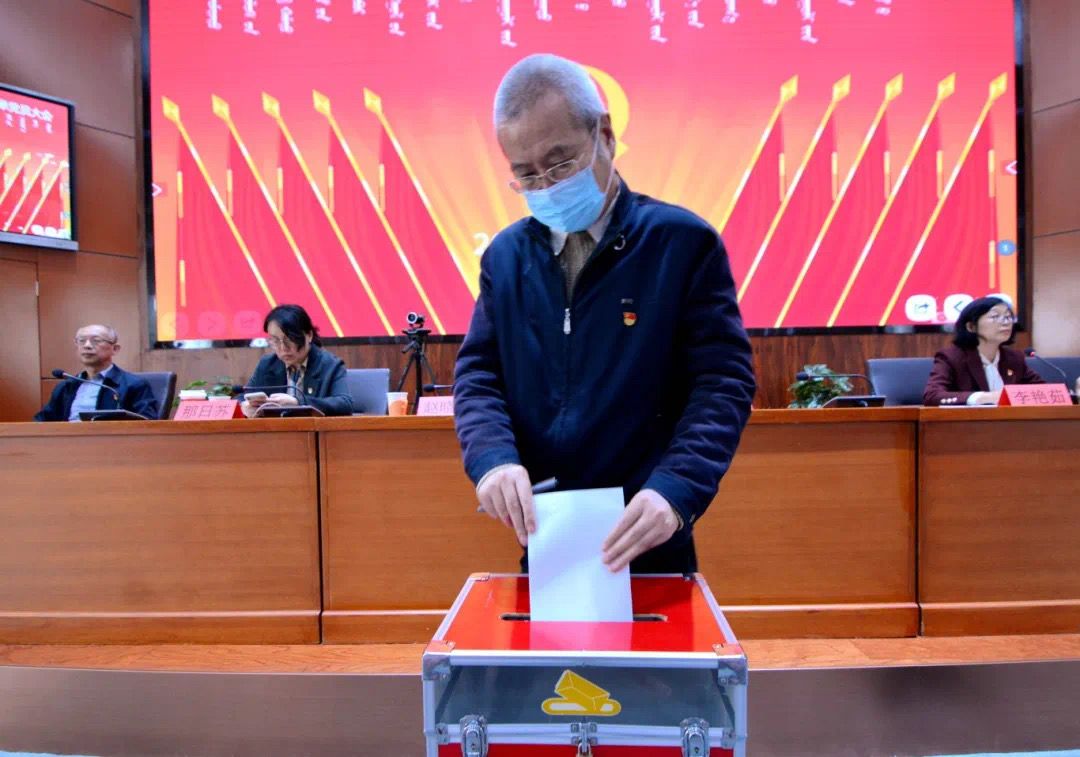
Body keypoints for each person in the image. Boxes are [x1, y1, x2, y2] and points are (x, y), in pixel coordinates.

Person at [453, 54, 756, 574]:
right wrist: (492, 460)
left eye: (561, 164)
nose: (547, 186)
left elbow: (723, 383)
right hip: (548, 540)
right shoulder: (505, 258)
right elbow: (479, 374)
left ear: (606, 136)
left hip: (651, 532)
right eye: (526, 175)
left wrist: (676, 488)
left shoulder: (681, 245)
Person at [924, 296, 1044, 406]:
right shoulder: (952, 357)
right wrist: (983, 397)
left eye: (1008, 317)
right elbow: (932, 395)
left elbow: (1043, 391)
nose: (1006, 322)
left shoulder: (1014, 358)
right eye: (995, 316)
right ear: (971, 326)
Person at [241, 304, 352, 417]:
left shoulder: (330, 365)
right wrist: (244, 406)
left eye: (290, 339)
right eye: (275, 340)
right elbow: (243, 396)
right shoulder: (267, 364)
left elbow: (345, 404)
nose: (283, 348)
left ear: (309, 335)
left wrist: (298, 402)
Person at [35, 324, 158, 421]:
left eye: (96, 340)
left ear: (115, 349)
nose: (87, 345)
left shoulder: (134, 385)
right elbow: (42, 422)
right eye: (81, 341)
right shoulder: (67, 386)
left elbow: (148, 424)